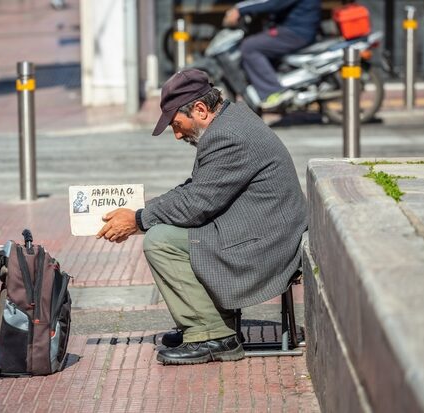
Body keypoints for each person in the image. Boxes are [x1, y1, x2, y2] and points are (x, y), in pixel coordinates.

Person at [96, 68, 307, 365]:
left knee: (161, 241)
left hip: (270, 245)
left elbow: (196, 204)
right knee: (169, 227)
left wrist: (140, 220)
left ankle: (213, 336)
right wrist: (144, 211)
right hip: (263, 229)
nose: (177, 134)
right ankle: (217, 323)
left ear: (200, 109)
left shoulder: (228, 136)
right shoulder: (231, 120)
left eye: (176, 124)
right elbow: (199, 189)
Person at [223, 0, 321, 110]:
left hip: (296, 31)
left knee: (249, 47)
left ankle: (272, 92)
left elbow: (273, 3)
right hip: (294, 29)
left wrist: (239, 9)